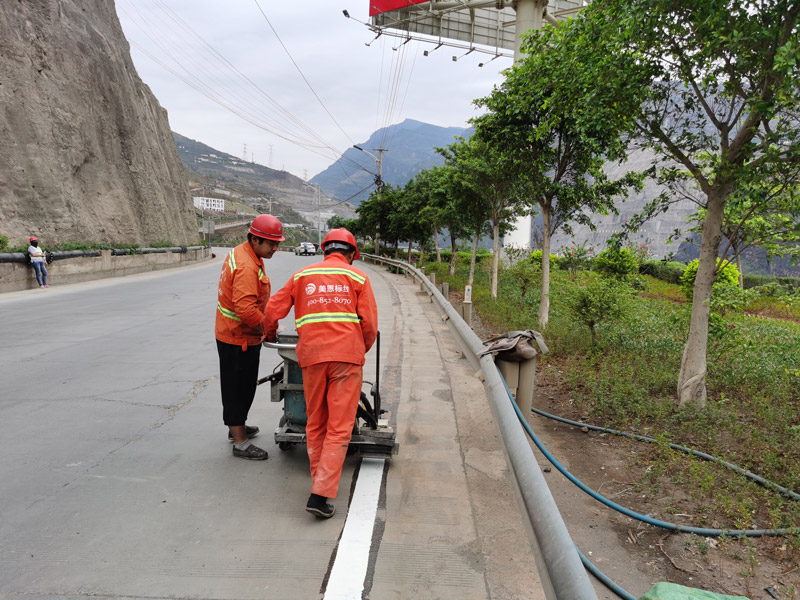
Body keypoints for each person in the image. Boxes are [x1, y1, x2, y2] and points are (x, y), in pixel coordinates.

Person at [263, 228, 378, 518]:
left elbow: (271, 311)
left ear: (325, 250)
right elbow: (370, 327)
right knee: (339, 428)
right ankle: (319, 494)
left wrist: (270, 331)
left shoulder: (302, 276)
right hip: (346, 359)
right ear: (352, 255)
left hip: (312, 358)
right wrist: (357, 350)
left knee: (316, 422)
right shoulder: (358, 278)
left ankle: (320, 483)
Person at [215, 214, 284, 460]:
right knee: (238, 388)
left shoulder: (244, 253)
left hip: (234, 333)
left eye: (277, 243)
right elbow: (245, 310)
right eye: (271, 244)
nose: (276, 248)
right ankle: (240, 441)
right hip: (238, 337)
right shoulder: (246, 266)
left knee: (239, 386)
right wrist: (267, 327)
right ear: (255, 239)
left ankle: (237, 427)